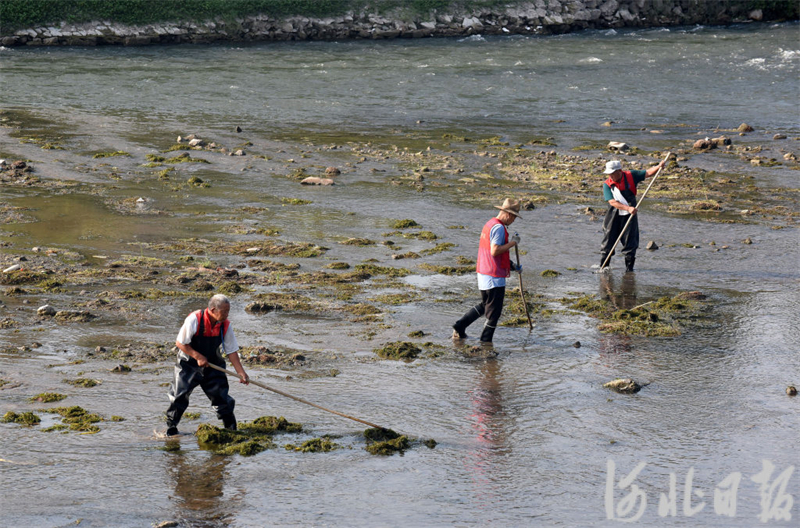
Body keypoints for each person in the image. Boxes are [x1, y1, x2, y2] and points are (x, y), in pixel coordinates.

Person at [165, 294, 249, 436]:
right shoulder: (195, 319)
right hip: (188, 364)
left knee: (222, 399)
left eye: (228, 311)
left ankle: (231, 430)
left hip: (213, 365)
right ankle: (171, 429)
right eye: (224, 312)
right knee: (179, 395)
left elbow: (231, 351)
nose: (227, 315)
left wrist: (241, 372)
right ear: (212, 309)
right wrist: (198, 356)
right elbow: (180, 343)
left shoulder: (225, 325)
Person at [452, 198, 522, 345]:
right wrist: (513, 243)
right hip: (493, 275)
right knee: (494, 314)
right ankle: (485, 343)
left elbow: (492, 253)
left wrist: (512, 265)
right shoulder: (498, 228)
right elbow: (495, 251)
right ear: (509, 215)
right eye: (514, 217)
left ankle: (460, 326)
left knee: (485, 305)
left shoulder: (489, 224)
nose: (514, 221)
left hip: (484, 272)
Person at [600, 158, 666, 272]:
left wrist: (659, 166)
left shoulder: (631, 175)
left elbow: (648, 173)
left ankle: (629, 271)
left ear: (619, 171)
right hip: (614, 214)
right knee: (608, 241)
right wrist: (627, 208)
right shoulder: (607, 184)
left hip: (629, 215)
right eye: (609, 173)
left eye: (612, 173)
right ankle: (604, 268)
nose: (610, 176)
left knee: (630, 242)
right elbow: (612, 202)